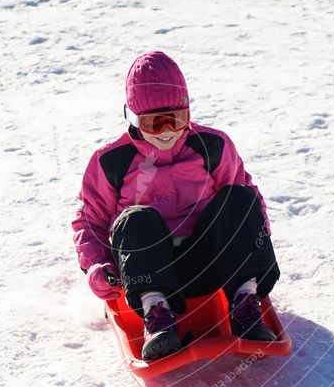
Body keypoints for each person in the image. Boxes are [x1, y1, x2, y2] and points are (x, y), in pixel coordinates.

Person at [71, 50, 280, 361]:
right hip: (145, 274)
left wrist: (253, 244)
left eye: (177, 119)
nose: (168, 131)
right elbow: (90, 221)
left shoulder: (213, 146)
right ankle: (158, 318)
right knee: (134, 219)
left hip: (210, 266)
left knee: (239, 198)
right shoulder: (111, 162)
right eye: (155, 123)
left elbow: (248, 203)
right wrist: (97, 266)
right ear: (133, 118)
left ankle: (244, 302)